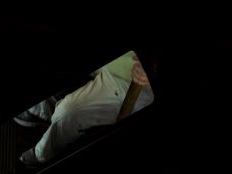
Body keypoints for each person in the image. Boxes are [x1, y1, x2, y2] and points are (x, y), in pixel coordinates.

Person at [16, 50, 154, 167]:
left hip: (125, 80)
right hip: (114, 62)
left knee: (66, 112)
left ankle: (43, 154)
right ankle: (47, 108)